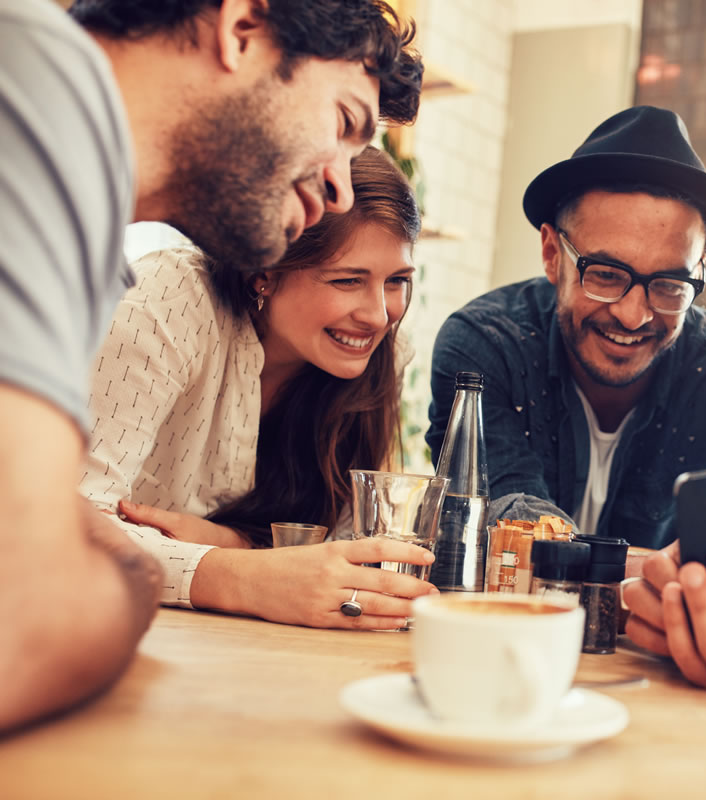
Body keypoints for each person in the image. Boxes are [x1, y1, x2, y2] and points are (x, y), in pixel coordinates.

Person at [0, 0, 420, 731]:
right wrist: (142, 571)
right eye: (345, 122)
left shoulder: (95, 233)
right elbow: (28, 618)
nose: (343, 191)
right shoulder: (37, 82)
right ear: (242, 30)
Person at [427, 106, 706, 689]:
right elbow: (502, 527)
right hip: (499, 668)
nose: (634, 315)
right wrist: (661, 577)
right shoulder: (486, 347)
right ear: (550, 253)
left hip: (670, 685)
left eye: (668, 285)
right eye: (607, 274)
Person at [81, 146, 437, 630]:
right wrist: (238, 575)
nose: (378, 315)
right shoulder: (167, 300)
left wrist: (234, 544)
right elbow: (66, 521)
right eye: (348, 280)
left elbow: (342, 549)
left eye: (396, 280)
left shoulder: (378, 357)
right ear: (263, 274)